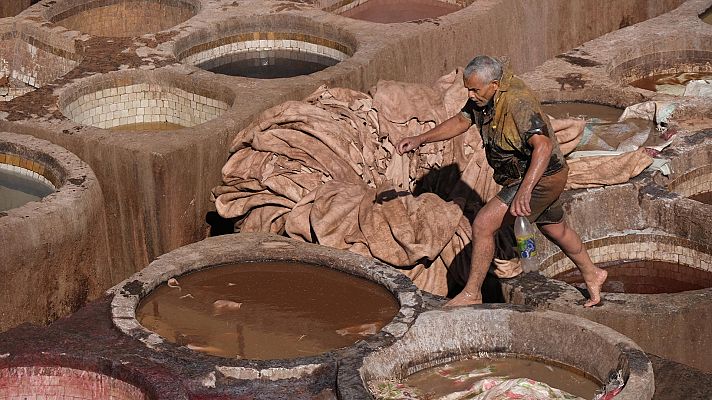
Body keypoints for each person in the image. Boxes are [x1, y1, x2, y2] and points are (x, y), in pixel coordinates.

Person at [396, 55, 607, 307]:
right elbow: (462, 120)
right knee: (555, 228)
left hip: (542, 176)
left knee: (484, 224)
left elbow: (543, 146)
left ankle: (472, 292)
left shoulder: (518, 103)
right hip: (526, 176)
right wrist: (421, 138)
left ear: (494, 84)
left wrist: (524, 192)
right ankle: (593, 273)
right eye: (468, 89)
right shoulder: (484, 98)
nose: (471, 95)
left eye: (475, 90)